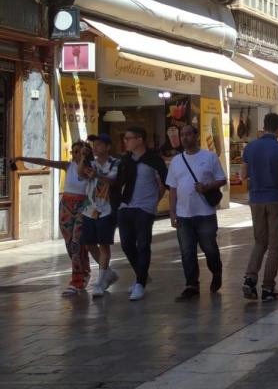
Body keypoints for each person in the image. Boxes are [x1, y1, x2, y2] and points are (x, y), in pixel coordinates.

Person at [13, 141, 93, 296]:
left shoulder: (90, 169)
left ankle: (77, 281)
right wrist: (21, 158)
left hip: (82, 207)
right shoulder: (68, 166)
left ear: (86, 153)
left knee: (76, 242)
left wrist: (85, 159)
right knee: (70, 245)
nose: (75, 155)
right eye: (74, 152)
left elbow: (86, 177)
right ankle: (84, 271)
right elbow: (44, 162)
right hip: (66, 207)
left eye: (79, 152)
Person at [167, 124, 227, 301]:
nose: (185, 137)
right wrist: (172, 212)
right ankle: (191, 285)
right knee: (187, 251)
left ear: (196, 136)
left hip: (205, 213)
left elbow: (222, 179)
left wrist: (207, 187)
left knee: (209, 248)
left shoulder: (209, 157)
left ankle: (216, 271)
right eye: (182, 135)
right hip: (183, 214)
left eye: (188, 134)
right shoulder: (176, 161)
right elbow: (172, 189)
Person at [112, 127, 167, 301]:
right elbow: (118, 183)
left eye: (128, 138)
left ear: (140, 139)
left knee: (143, 244)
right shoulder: (125, 160)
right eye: (125, 138)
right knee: (126, 244)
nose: (125, 141)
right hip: (125, 206)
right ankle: (142, 274)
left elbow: (165, 183)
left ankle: (140, 283)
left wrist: (154, 201)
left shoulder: (154, 159)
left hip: (145, 208)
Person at [240, 113, 278, 301]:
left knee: (260, 241)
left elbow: (243, 175)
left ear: (264, 125)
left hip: (256, 199)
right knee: (275, 244)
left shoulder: (250, 147)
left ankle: (250, 278)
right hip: (275, 198)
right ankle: (268, 287)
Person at [79, 134, 120, 297]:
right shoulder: (91, 163)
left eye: (99, 144)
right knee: (89, 244)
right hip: (89, 210)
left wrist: (97, 175)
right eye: (94, 144)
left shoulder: (115, 163)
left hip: (107, 210)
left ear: (108, 147)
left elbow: (112, 179)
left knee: (104, 245)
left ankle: (100, 281)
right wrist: (83, 157)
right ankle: (108, 273)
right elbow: (80, 174)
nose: (95, 147)